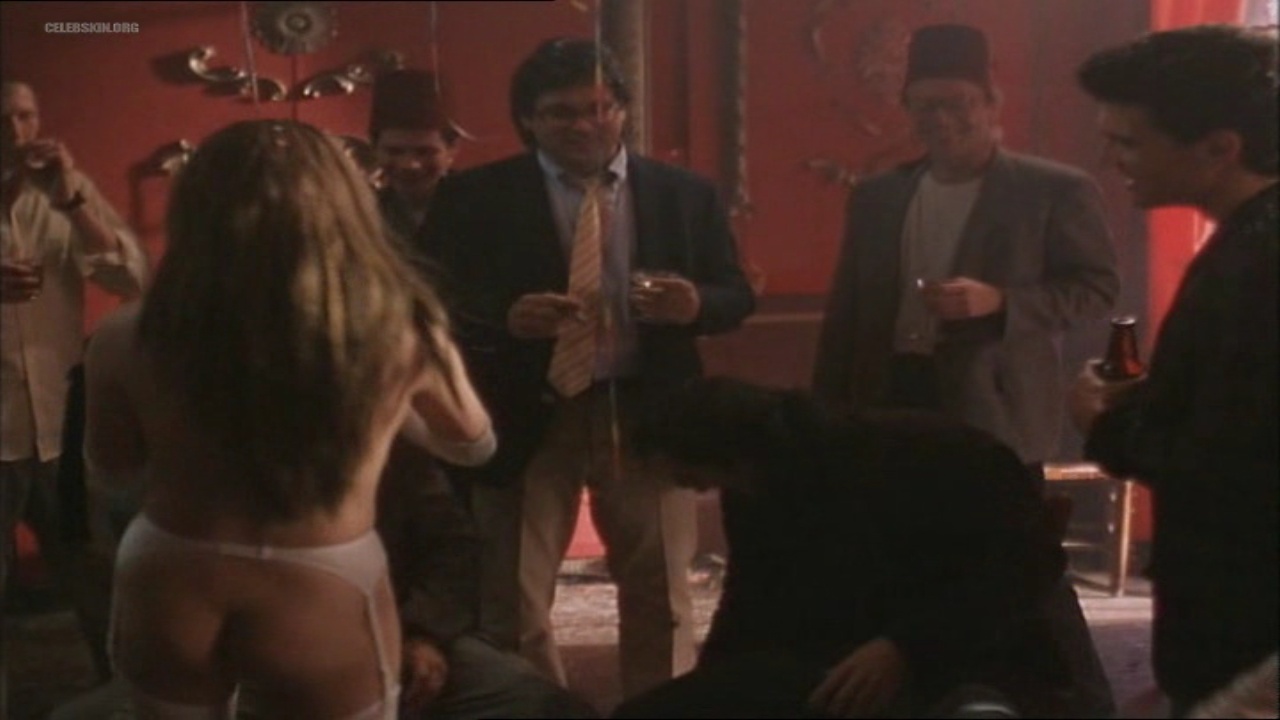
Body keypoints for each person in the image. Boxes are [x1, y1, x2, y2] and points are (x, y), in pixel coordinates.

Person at [83, 119, 494, 719]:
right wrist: (383, 409)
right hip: (321, 574)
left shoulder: (125, 334)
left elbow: (113, 472)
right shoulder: (399, 329)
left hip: (172, 566)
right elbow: (473, 445)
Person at [417, 38, 756, 698]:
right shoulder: (475, 197)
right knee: (514, 603)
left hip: (647, 408)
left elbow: (735, 294)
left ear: (623, 110)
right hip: (525, 409)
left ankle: (656, 712)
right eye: (562, 112)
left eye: (600, 108)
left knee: (660, 594)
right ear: (529, 120)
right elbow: (429, 299)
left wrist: (696, 304)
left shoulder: (683, 194)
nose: (584, 125)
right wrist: (505, 318)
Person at [614, 377, 1085, 719]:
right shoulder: (756, 489)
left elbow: (1022, 571)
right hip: (835, 663)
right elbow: (749, 606)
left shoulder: (928, 454)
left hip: (967, 655)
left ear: (727, 455)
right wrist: (712, 688)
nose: (698, 490)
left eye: (694, 477)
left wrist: (905, 648)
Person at [811, 24, 1120, 488]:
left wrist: (1001, 301)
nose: (940, 118)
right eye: (924, 105)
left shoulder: (1053, 190)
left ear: (992, 103)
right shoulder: (877, 197)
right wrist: (824, 415)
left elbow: (1097, 291)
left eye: (957, 103)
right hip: (884, 400)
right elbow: (845, 314)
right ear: (907, 109)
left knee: (989, 530)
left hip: (993, 406)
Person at [1072, 24, 1278, 717]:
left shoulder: (1256, 262)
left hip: (1245, 610)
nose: (1111, 160)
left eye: (1129, 143)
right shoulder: (1248, 242)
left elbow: (1233, 461)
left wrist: (1107, 422)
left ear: (1220, 148)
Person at [1, 79, 147, 682]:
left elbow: (130, 280)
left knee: (99, 584)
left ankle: (123, 700)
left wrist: (72, 201)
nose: (15, 133)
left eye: (25, 117)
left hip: (61, 430)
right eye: (2, 120)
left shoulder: (65, 190)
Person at [376, 441, 599, 719]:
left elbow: (452, 547)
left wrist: (423, 633)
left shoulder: (390, 446)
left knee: (552, 708)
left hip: (406, 635)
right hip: (338, 647)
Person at [369, 69, 464, 242]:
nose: (410, 164)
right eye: (394, 151)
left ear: (452, 148)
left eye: (424, 152)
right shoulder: (362, 214)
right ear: (375, 149)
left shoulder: (483, 208)